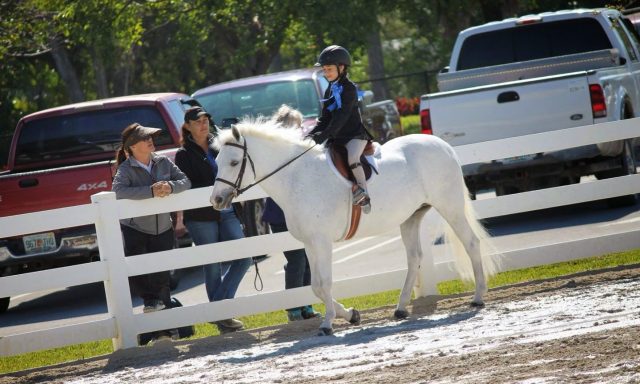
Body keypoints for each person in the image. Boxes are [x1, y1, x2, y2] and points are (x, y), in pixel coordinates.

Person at [174, 106, 252, 334]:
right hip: (201, 216)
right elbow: (188, 185)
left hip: (227, 211)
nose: (203, 123)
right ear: (187, 126)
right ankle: (223, 320)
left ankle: (218, 309)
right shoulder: (183, 155)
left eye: (206, 119)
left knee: (244, 258)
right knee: (212, 265)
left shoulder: (221, 144)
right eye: (198, 121)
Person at [111, 123, 191, 336]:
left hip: (164, 228)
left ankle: (165, 331)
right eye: (145, 138)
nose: (150, 140)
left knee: (162, 279)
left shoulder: (163, 161)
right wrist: (150, 191)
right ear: (133, 146)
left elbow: (186, 181)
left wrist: (170, 187)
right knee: (142, 279)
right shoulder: (125, 169)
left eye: (151, 137)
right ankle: (159, 331)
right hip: (136, 230)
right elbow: (117, 191)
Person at [263, 105, 320, 321]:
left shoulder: (297, 149)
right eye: (296, 126)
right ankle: (293, 307)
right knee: (296, 259)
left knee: (306, 258)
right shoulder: (276, 153)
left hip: (300, 213)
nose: (300, 130)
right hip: (280, 214)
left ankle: (305, 304)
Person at [306, 45, 373, 213]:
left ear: (341, 67)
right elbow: (325, 117)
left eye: (329, 69)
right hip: (337, 136)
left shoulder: (349, 88)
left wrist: (326, 134)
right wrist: (313, 133)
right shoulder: (329, 88)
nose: (326, 73)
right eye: (324, 70)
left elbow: (342, 116)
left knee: (352, 158)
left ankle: (364, 194)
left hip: (354, 135)